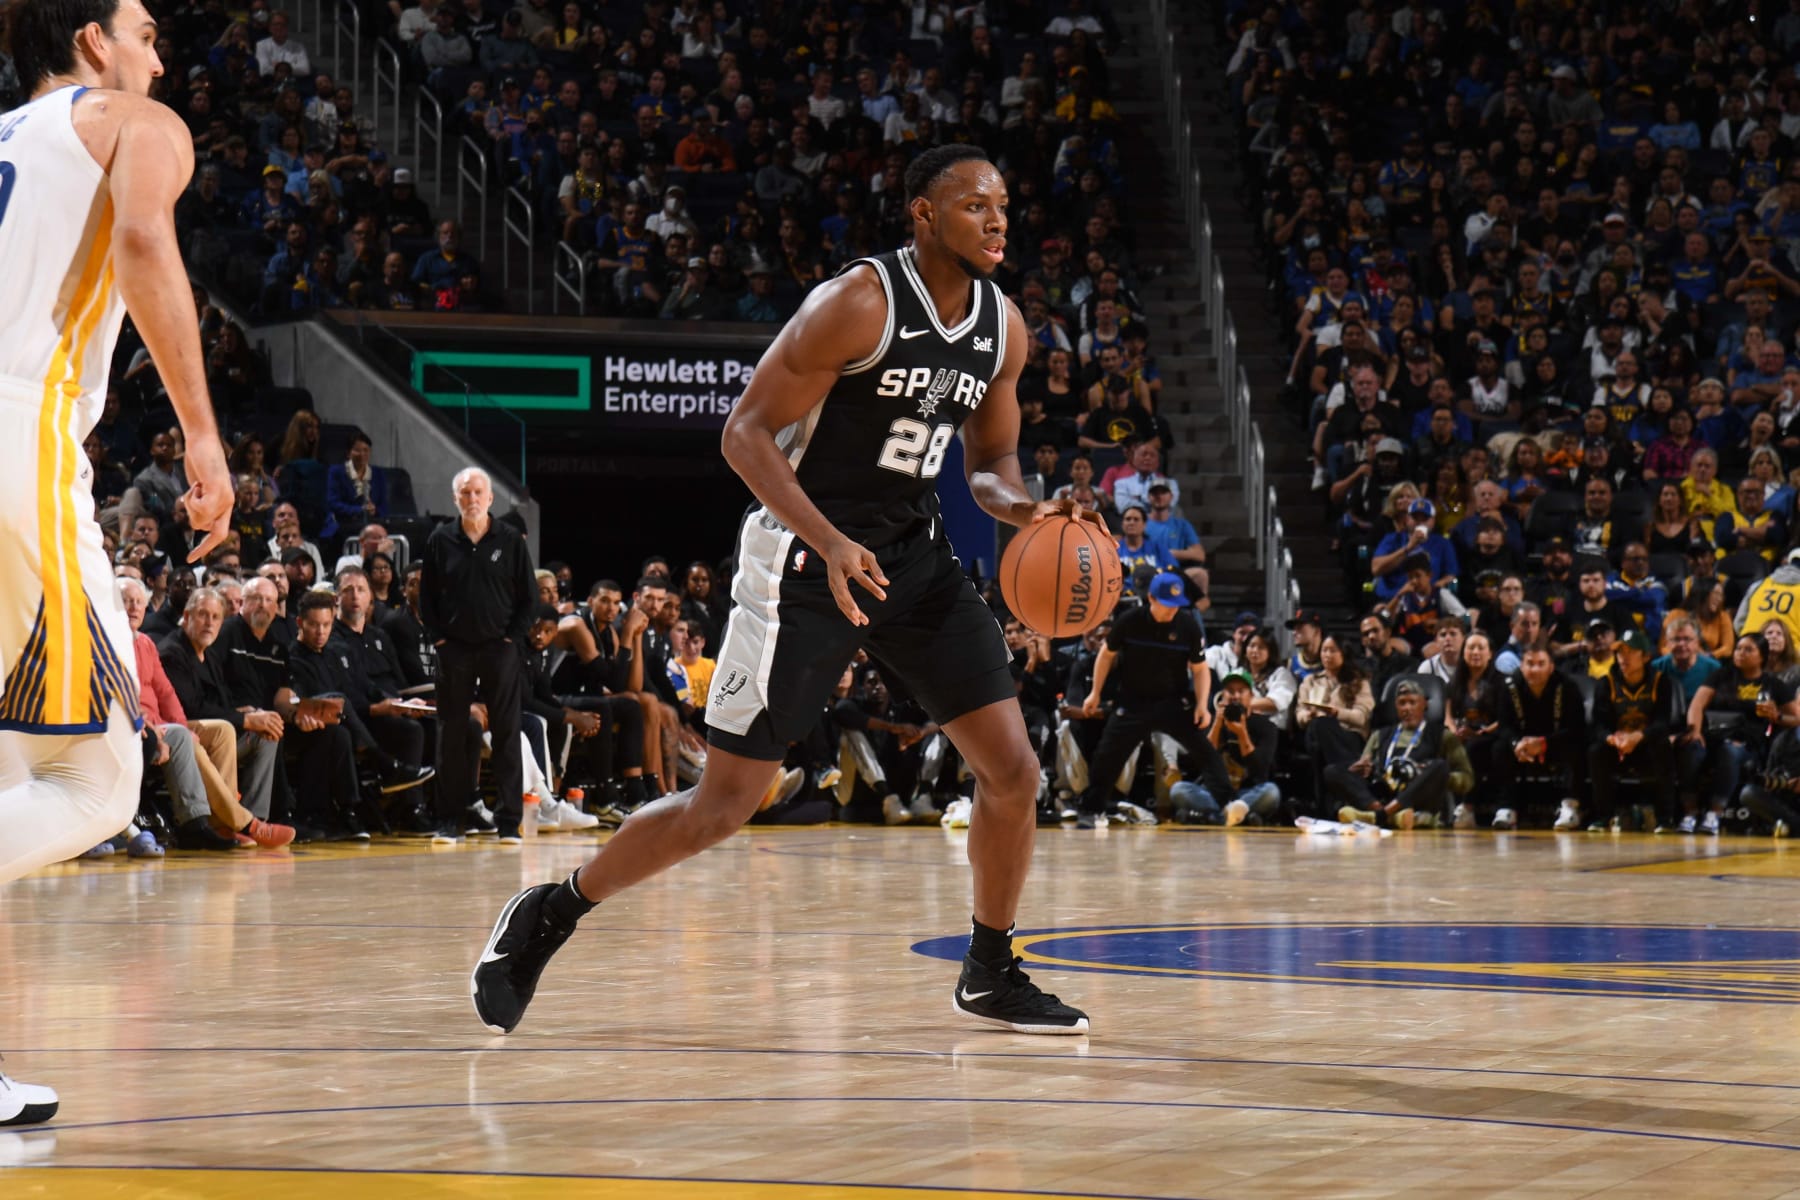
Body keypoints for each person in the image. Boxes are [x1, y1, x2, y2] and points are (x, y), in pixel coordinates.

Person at [473, 146, 1098, 1037]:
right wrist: (831, 541)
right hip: (804, 562)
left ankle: (990, 968)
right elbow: (745, 434)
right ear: (923, 215)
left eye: (1004, 205)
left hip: (910, 557)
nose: (999, 221)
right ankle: (551, 910)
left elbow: (991, 464)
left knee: (1013, 770)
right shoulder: (858, 304)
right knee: (724, 805)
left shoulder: (1005, 328)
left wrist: (1034, 508)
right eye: (974, 206)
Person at [0, 0, 236, 1125]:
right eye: (145, 30)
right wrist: (199, 430)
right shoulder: (134, 124)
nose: (159, 53)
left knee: (10, 773)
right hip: (18, 438)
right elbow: (143, 244)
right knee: (98, 782)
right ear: (94, 42)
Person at [420, 467, 536, 840]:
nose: (472, 499)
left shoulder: (510, 539)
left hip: (499, 648)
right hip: (454, 651)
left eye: (478, 493)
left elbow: (529, 599)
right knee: (450, 734)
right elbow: (426, 597)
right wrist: (438, 639)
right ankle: (449, 820)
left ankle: (508, 822)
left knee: (506, 733)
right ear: (456, 499)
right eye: (465, 493)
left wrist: (511, 639)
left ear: (491, 499)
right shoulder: (440, 540)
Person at [1073, 572, 1225, 828]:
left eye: (1176, 605)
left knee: (1206, 752)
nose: (1172, 611)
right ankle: (1091, 810)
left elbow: (1199, 669)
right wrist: (1095, 693)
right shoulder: (1130, 621)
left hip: (1172, 703)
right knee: (1107, 757)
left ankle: (1228, 805)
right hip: (1133, 702)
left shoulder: (1187, 625)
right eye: (1167, 604)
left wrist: (1201, 705)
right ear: (1151, 598)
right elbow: (1106, 655)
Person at [1680, 632, 1800, 834]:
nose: (1740, 653)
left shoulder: (1773, 685)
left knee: (1730, 751)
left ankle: (1714, 815)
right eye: (1738, 648)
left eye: (1748, 649)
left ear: (1761, 656)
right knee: (1691, 748)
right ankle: (1689, 813)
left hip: (1748, 744)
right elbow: (1697, 705)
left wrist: (1777, 716)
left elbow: (1796, 718)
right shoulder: (1721, 675)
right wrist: (1695, 731)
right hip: (1713, 736)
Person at [1325, 678, 1474, 829]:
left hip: (1419, 796)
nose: (1407, 708)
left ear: (1425, 704)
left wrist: (1440, 777)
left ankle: (1378, 815)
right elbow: (1365, 765)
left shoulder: (1443, 735)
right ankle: (1384, 813)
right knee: (1332, 771)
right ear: (1396, 706)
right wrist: (1364, 769)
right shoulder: (1380, 735)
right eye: (1402, 703)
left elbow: (1467, 779)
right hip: (1384, 792)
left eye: (1412, 702)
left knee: (1439, 767)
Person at [1590, 628, 1679, 833]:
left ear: (1645, 656)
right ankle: (1602, 817)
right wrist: (1611, 738)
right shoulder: (1606, 683)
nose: (1623, 658)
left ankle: (1665, 818)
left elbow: (1662, 722)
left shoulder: (1660, 681)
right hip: (1618, 745)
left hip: (1646, 743)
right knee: (1596, 751)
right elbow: (1598, 724)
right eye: (1620, 652)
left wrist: (1639, 736)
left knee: (1663, 746)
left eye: (1630, 652)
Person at [1169, 670, 1280, 826]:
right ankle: (1237, 816)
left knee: (1271, 792)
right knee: (1179, 790)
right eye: (1230, 691)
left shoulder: (1267, 727)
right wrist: (1217, 725)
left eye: (1241, 691)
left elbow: (1260, 769)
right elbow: (1200, 761)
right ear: (1222, 695)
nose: (1235, 696)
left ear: (1251, 696)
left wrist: (1242, 734)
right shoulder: (1210, 722)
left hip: (1247, 792)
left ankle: (1213, 817)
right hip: (1213, 793)